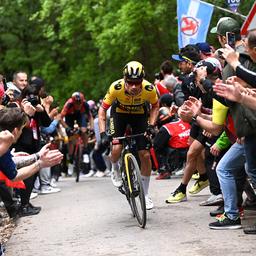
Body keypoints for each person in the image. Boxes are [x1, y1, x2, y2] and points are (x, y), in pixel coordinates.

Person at [98, 61, 159, 210]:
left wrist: (151, 125)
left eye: (137, 83)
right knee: (117, 148)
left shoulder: (149, 88)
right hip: (119, 115)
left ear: (142, 80)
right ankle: (115, 168)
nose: (133, 86)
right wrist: (102, 133)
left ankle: (144, 195)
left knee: (144, 155)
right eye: (130, 82)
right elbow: (102, 110)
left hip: (139, 116)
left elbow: (156, 106)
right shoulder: (115, 87)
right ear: (124, 80)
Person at [154, 107, 190, 180]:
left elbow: (157, 144)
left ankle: (164, 171)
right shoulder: (182, 120)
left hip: (178, 153)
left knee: (158, 147)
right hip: (191, 148)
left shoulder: (166, 128)